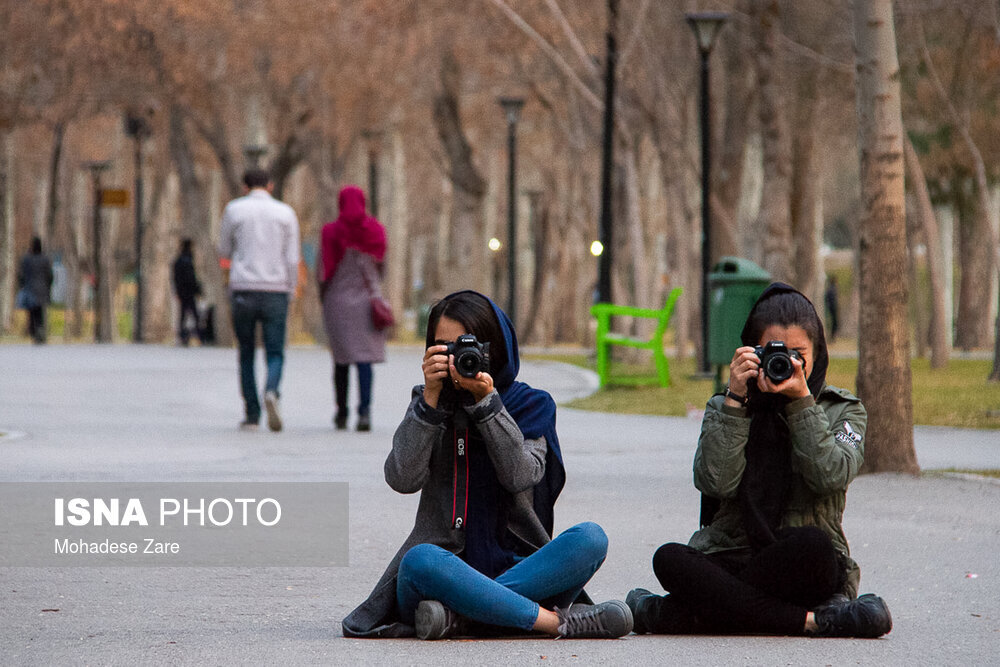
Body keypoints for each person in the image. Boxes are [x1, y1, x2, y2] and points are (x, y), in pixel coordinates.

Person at [342, 290, 632, 640]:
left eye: (467, 346)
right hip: (443, 573)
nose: (456, 357)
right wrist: (431, 403)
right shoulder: (429, 403)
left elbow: (520, 476)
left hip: (519, 565)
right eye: (443, 347)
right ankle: (556, 623)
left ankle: (463, 617)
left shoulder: (531, 405)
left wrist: (487, 405)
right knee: (420, 561)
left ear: (494, 348)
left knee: (590, 538)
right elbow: (402, 478)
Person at [627, 283, 892, 638]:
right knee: (669, 558)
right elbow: (714, 482)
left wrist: (801, 403)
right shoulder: (727, 405)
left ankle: (676, 614)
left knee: (814, 548)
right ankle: (814, 620)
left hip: (799, 562)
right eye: (772, 353)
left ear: (818, 352)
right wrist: (735, 401)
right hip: (733, 552)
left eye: (799, 354)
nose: (787, 364)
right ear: (750, 352)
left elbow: (829, 475)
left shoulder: (842, 409)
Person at [217, 169, 300, 432]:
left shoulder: (233, 210)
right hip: (275, 290)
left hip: (244, 288)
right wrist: (291, 288)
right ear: (271, 185)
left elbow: (224, 250)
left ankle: (252, 414)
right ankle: (272, 390)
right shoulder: (286, 213)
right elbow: (292, 257)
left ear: (245, 186)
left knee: (246, 352)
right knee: (275, 351)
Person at [317, 186, 388, 432]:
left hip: (337, 302)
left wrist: (323, 299)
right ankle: (365, 411)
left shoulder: (330, 232)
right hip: (366, 304)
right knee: (364, 359)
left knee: (341, 359)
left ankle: (341, 412)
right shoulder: (375, 231)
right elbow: (382, 269)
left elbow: (323, 271)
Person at [17, 237, 54, 344]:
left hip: (30, 290)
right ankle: (40, 331)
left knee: (32, 313)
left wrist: (22, 285)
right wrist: (48, 286)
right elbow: (50, 276)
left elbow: (21, 275)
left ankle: (35, 333)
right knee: (40, 313)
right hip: (42, 290)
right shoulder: (45, 259)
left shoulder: (26, 260)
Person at [172, 238, 202, 346]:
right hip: (188, 291)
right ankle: (197, 335)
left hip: (182, 291)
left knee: (184, 315)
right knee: (194, 314)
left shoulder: (179, 260)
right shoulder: (187, 260)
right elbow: (191, 278)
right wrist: (197, 289)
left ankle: (184, 335)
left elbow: (175, 278)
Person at [824, 275, 840, 341]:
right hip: (833, 308)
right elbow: (830, 299)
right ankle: (832, 336)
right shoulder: (832, 289)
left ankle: (832, 336)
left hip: (831, 307)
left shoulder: (830, 289)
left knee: (834, 322)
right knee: (834, 322)